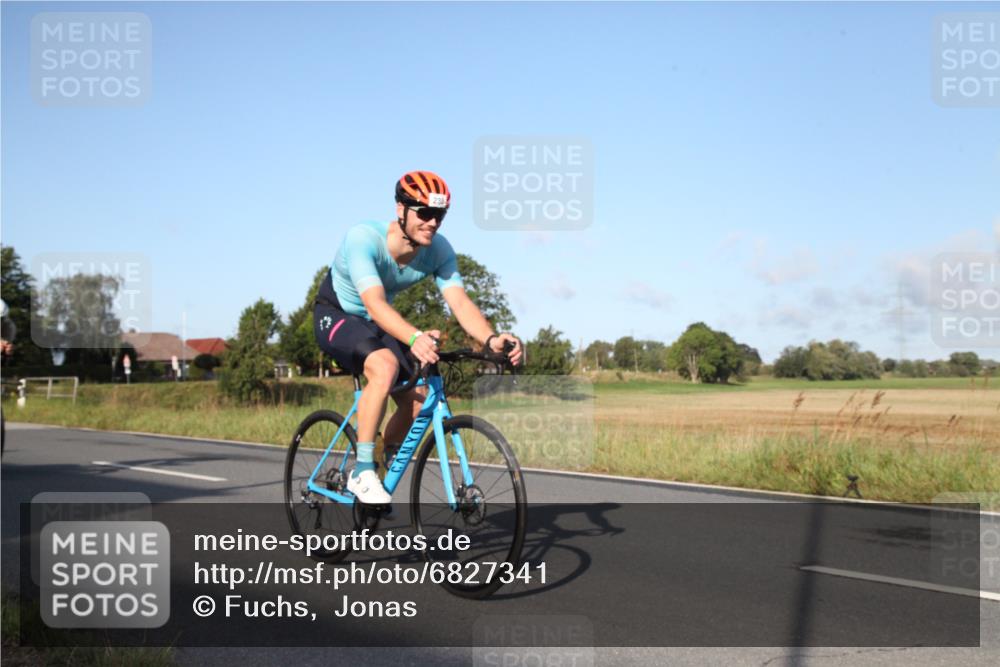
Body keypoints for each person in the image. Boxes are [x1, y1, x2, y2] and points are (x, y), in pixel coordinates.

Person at [313, 171, 523, 504]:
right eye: (424, 213)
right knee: (384, 366)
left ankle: (382, 456)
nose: (432, 222)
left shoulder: (438, 251)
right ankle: (362, 470)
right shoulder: (363, 239)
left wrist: (490, 339)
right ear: (401, 209)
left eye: (439, 215)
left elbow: (459, 302)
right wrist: (414, 337)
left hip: (378, 321)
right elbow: (374, 304)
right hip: (337, 314)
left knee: (419, 398)